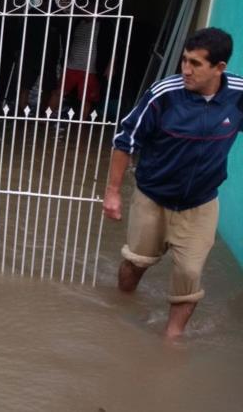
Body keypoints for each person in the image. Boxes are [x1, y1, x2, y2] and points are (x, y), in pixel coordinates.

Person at [104, 27, 242, 338]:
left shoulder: (238, 94)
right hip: (152, 196)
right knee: (137, 262)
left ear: (219, 67)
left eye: (195, 64)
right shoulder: (164, 94)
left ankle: (171, 341)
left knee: (189, 273)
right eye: (184, 61)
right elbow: (125, 141)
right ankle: (121, 305)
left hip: (201, 202)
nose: (185, 70)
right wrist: (112, 193)